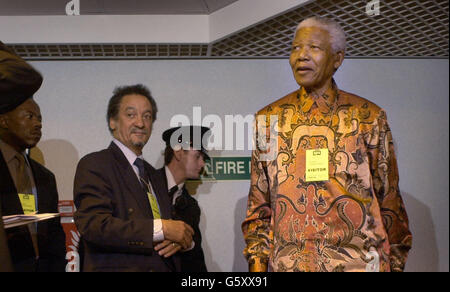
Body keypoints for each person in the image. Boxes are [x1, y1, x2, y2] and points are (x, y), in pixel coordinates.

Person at [242, 17, 412, 272]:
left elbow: (390, 204)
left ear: (337, 59)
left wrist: (395, 265)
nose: (302, 56)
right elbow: (259, 208)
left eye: (314, 48)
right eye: (295, 48)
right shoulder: (269, 121)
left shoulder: (367, 117)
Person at [73, 84, 194, 272]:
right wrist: (162, 229)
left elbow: (168, 228)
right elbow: (94, 226)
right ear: (112, 121)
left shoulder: (153, 174)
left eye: (147, 116)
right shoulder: (96, 164)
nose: (140, 123)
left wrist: (175, 240)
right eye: (131, 115)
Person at [0, 41, 67, 272]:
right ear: (4, 120)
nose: (37, 124)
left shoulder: (45, 177)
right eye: (29, 116)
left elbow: (55, 235)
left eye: (40, 119)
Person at [158, 125, 210, 272]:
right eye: (198, 156)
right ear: (179, 152)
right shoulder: (144, 186)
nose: (202, 164)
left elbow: (197, 261)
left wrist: (186, 243)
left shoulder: (191, 207)